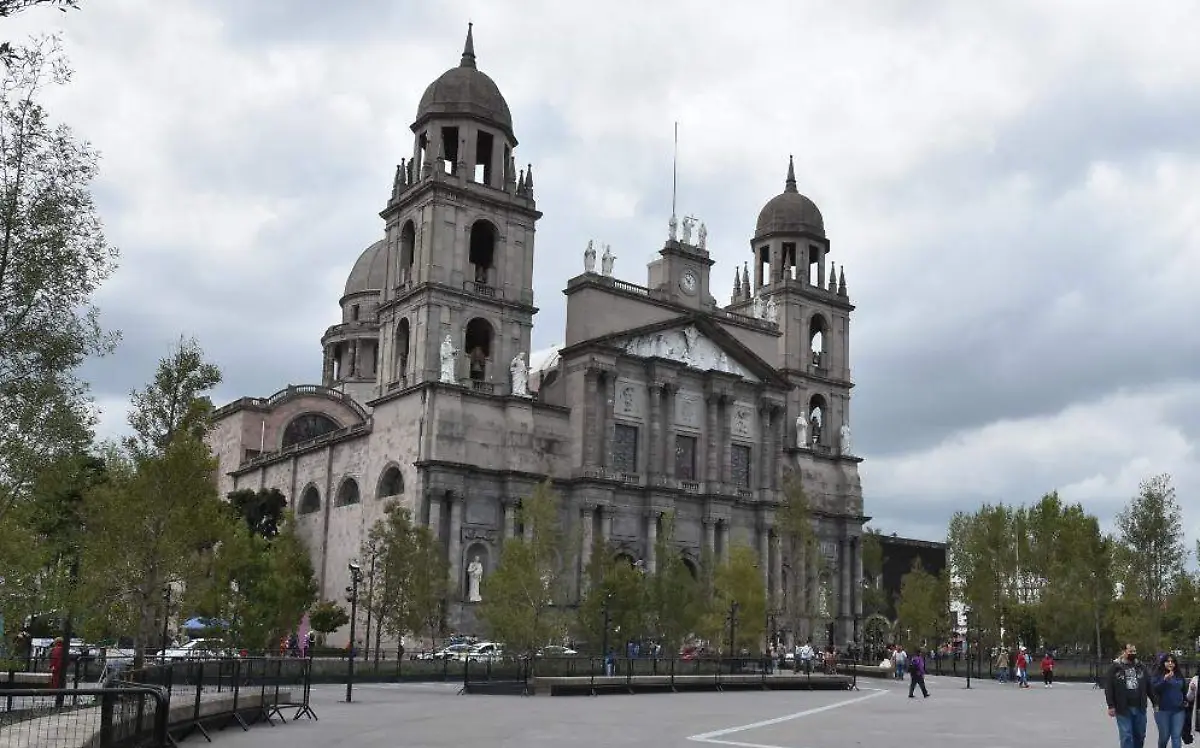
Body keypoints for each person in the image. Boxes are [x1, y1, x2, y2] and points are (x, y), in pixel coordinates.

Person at [1106, 643, 1151, 748]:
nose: (1133, 653)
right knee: (1126, 735)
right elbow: (1109, 687)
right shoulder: (1115, 668)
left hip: (1140, 707)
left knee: (1140, 734)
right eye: (1130, 651)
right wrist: (1111, 705)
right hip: (1123, 708)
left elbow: (1149, 685)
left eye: (1134, 651)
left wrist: (1155, 702)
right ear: (1124, 652)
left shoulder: (1141, 667)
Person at [1154, 654, 1187, 748]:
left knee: (1176, 736)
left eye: (1172, 662)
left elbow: (1183, 690)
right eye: (1168, 661)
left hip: (1178, 711)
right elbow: (1154, 689)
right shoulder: (1158, 675)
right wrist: (1164, 680)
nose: (1170, 663)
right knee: (1164, 736)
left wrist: (1185, 699)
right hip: (1162, 710)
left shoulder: (1179, 675)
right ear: (1163, 663)